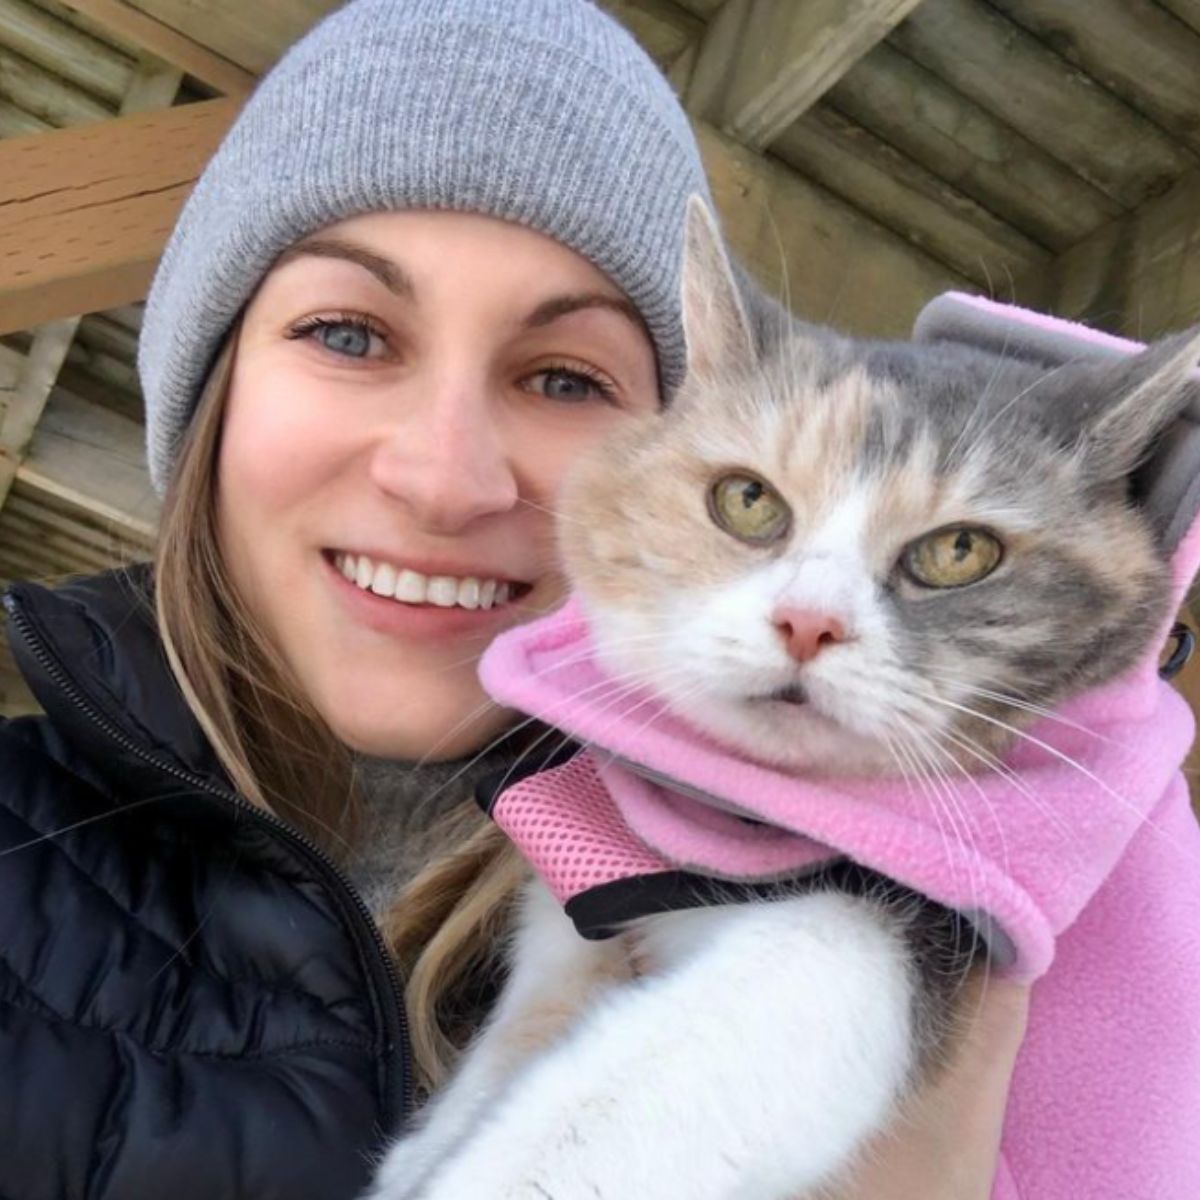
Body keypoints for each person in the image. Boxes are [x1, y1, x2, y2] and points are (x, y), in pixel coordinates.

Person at [0, 1, 1029, 1197]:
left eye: (562, 376)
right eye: (347, 332)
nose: (445, 480)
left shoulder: (924, 946)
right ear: (217, 390)